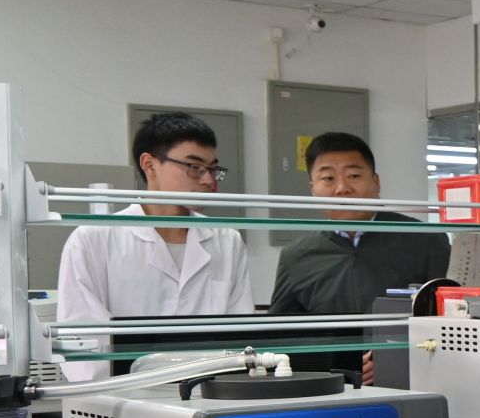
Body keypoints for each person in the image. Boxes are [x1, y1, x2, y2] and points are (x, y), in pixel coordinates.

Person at [56, 111, 252, 381]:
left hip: (209, 392)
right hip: (122, 396)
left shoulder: (227, 241)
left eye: (212, 169)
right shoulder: (93, 239)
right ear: (149, 164)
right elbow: (82, 345)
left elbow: (241, 339)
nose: (208, 180)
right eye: (194, 167)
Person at [269, 132, 449, 384]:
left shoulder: (425, 239)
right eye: (328, 178)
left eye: (354, 175)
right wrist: (335, 365)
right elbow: (280, 337)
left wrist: (393, 357)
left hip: (415, 381)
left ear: (376, 182)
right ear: (313, 189)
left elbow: (451, 321)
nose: (342, 188)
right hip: (329, 388)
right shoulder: (296, 255)